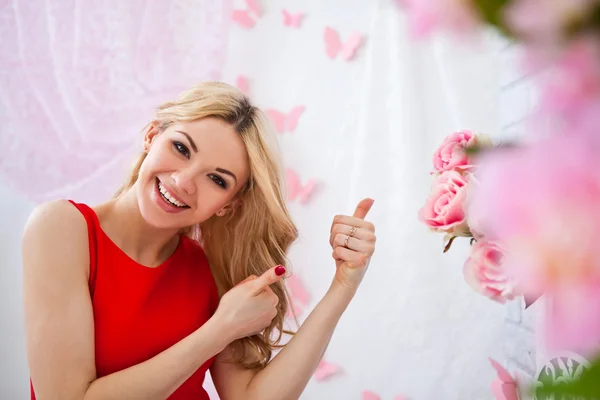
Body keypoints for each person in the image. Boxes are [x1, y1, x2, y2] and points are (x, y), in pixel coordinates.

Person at [22, 81, 377, 400]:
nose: (184, 180)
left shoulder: (212, 269)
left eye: (218, 180)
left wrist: (343, 286)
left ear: (229, 205)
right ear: (151, 136)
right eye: (181, 148)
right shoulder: (62, 228)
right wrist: (218, 330)